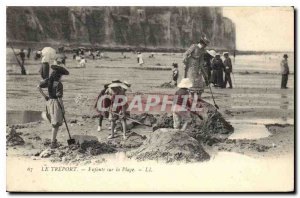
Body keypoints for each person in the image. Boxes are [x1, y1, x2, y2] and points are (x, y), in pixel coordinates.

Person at [37, 64, 69, 149]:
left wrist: (45, 97)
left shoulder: (48, 80)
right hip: (56, 104)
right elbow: (59, 98)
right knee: (56, 124)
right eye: (61, 75)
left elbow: (38, 86)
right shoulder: (59, 84)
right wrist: (62, 109)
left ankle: (53, 141)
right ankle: (53, 143)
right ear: (59, 75)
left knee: (54, 123)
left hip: (49, 102)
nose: (62, 77)